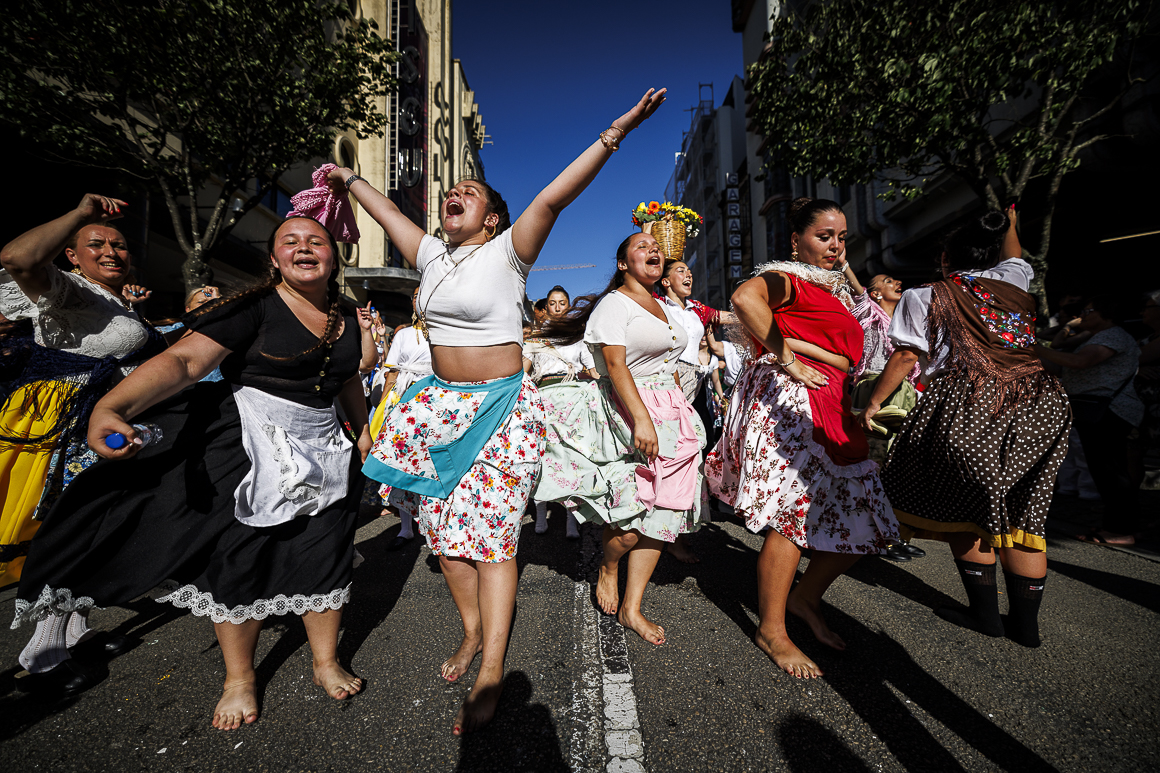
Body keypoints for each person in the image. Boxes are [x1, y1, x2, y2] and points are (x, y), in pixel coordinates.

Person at [346, 87, 668, 735]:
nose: (454, 194)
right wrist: (347, 175)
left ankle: (492, 664)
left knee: (492, 542)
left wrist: (618, 129)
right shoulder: (431, 256)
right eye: (450, 191)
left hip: (500, 410)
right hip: (434, 412)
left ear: (493, 218)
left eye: (470, 190)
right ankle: (471, 632)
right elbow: (384, 210)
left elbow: (555, 194)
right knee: (445, 539)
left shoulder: (509, 253)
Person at [13, 214, 370, 726]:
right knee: (240, 562)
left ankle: (325, 661)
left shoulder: (349, 316)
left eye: (316, 240)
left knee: (325, 555)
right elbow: (184, 363)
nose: (304, 247)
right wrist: (112, 409)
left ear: (335, 257)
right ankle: (240, 679)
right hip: (250, 446)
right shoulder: (252, 306)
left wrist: (360, 429)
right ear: (274, 259)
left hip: (325, 448)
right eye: (289, 241)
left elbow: (345, 380)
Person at [705, 197, 898, 679]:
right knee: (793, 515)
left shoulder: (834, 291)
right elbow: (745, 300)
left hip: (834, 402)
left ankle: (805, 598)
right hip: (794, 400)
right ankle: (771, 628)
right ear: (796, 241)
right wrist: (790, 358)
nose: (835, 246)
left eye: (841, 237)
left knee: (860, 515)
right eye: (824, 236)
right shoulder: (788, 278)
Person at [862, 207, 1069, 648]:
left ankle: (985, 614)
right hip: (1042, 402)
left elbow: (905, 356)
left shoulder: (928, 295)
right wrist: (1012, 224)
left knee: (966, 508)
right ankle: (1026, 627)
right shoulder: (1013, 279)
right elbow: (1014, 255)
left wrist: (875, 402)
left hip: (973, 405)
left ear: (945, 260)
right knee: (1024, 508)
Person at [0, 194, 166, 693]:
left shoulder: (112, 299)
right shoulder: (62, 289)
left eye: (119, 245)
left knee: (101, 524)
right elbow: (17, 259)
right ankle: (45, 652)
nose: (112, 251)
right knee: (74, 526)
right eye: (97, 244)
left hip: (104, 425)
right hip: (70, 430)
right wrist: (80, 214)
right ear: (72, 255)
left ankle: (73, 629)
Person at [536, 232, 706, 645]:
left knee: (663, 519)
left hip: (675, 414)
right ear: (622, 264)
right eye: (641, 246)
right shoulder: (615, 304)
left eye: (656, 245)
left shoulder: (665, 307)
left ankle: (633, 607)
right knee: (630, 524)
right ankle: (609, 567)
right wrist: (642, 420)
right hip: (630, 414)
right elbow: (615, 364)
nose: (653, 250)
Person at [1036, 294, 1143, 546]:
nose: (1081, 315)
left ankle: (1121, 529)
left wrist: (1035, 348)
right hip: (1095, 410)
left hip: (1110, 410)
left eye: (1088, 310)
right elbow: (1064, 367)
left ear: (1106, 313)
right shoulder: (1095, 337)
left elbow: (1082, 362)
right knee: (1103, 470)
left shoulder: (1113, 335)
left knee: (1111, 471)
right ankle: (1114, 524)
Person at [522, 284, 595, 539]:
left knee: (572, 457)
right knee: (543, 456)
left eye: (562, 303)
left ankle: (571, 517)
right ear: (545, 307)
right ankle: (540, 512)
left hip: (573, 398)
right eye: (552, 303)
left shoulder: (578, 336)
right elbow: (524, 371)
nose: (557, 308)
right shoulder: (534, 339)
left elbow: (591, 367)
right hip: (543, 397)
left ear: (568, 305)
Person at [376, 286, 433, 550]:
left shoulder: (447, 333)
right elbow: (392, 374)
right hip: (406, 404)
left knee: (433, 467)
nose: (420, 300)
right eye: (415, 296)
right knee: (403, 465)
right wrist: (383, 409)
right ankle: (406, 528)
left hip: (436, 404)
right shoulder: (403, 335)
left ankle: (434, 528)